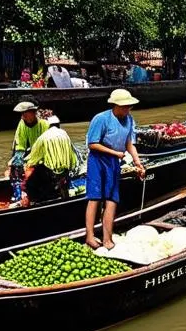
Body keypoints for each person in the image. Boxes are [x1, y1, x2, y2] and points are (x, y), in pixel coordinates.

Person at [85, 88, 146, 249]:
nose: (128, 109)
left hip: (114, 162)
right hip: (98, 160)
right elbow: (92, 144)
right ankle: (90, 236)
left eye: (129, 106)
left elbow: (129, 143)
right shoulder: (101, 119)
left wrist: (137, 162)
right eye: (125, 106)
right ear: (116, 105)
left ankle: (107, 239)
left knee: (112, 200)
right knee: (95, 198)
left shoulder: (129, 120)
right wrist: (115, 153)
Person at [22, 115, 80, 205]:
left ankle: (35, 201)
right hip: (65, 170)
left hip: (50, 171)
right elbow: (73, 154)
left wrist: (26, 164)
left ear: (48, 125)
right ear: (58, 124)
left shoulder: (44, 136)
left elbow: (33, 157)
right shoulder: (64, 134)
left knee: (31, 182)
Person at [8, 102, 47, 181]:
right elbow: (20, 144)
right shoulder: (22, 123)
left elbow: (47, 146)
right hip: (31, 153)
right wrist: (18, 159)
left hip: (44, 154)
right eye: (22, 114)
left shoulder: (44, 124)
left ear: (33, 113)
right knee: (11, 168)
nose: (23, 116)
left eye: (25, 113)